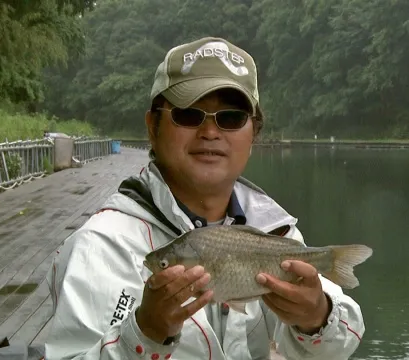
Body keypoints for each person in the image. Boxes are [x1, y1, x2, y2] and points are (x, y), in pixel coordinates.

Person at [44, 36, 365, 360]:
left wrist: (316, 318)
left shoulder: (275, 231)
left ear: (253, 133)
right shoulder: (101, 244)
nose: (210, 132)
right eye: (188, 114)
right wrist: (146, 334)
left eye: (230, 118)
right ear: (152, 127)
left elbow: (342, 341)